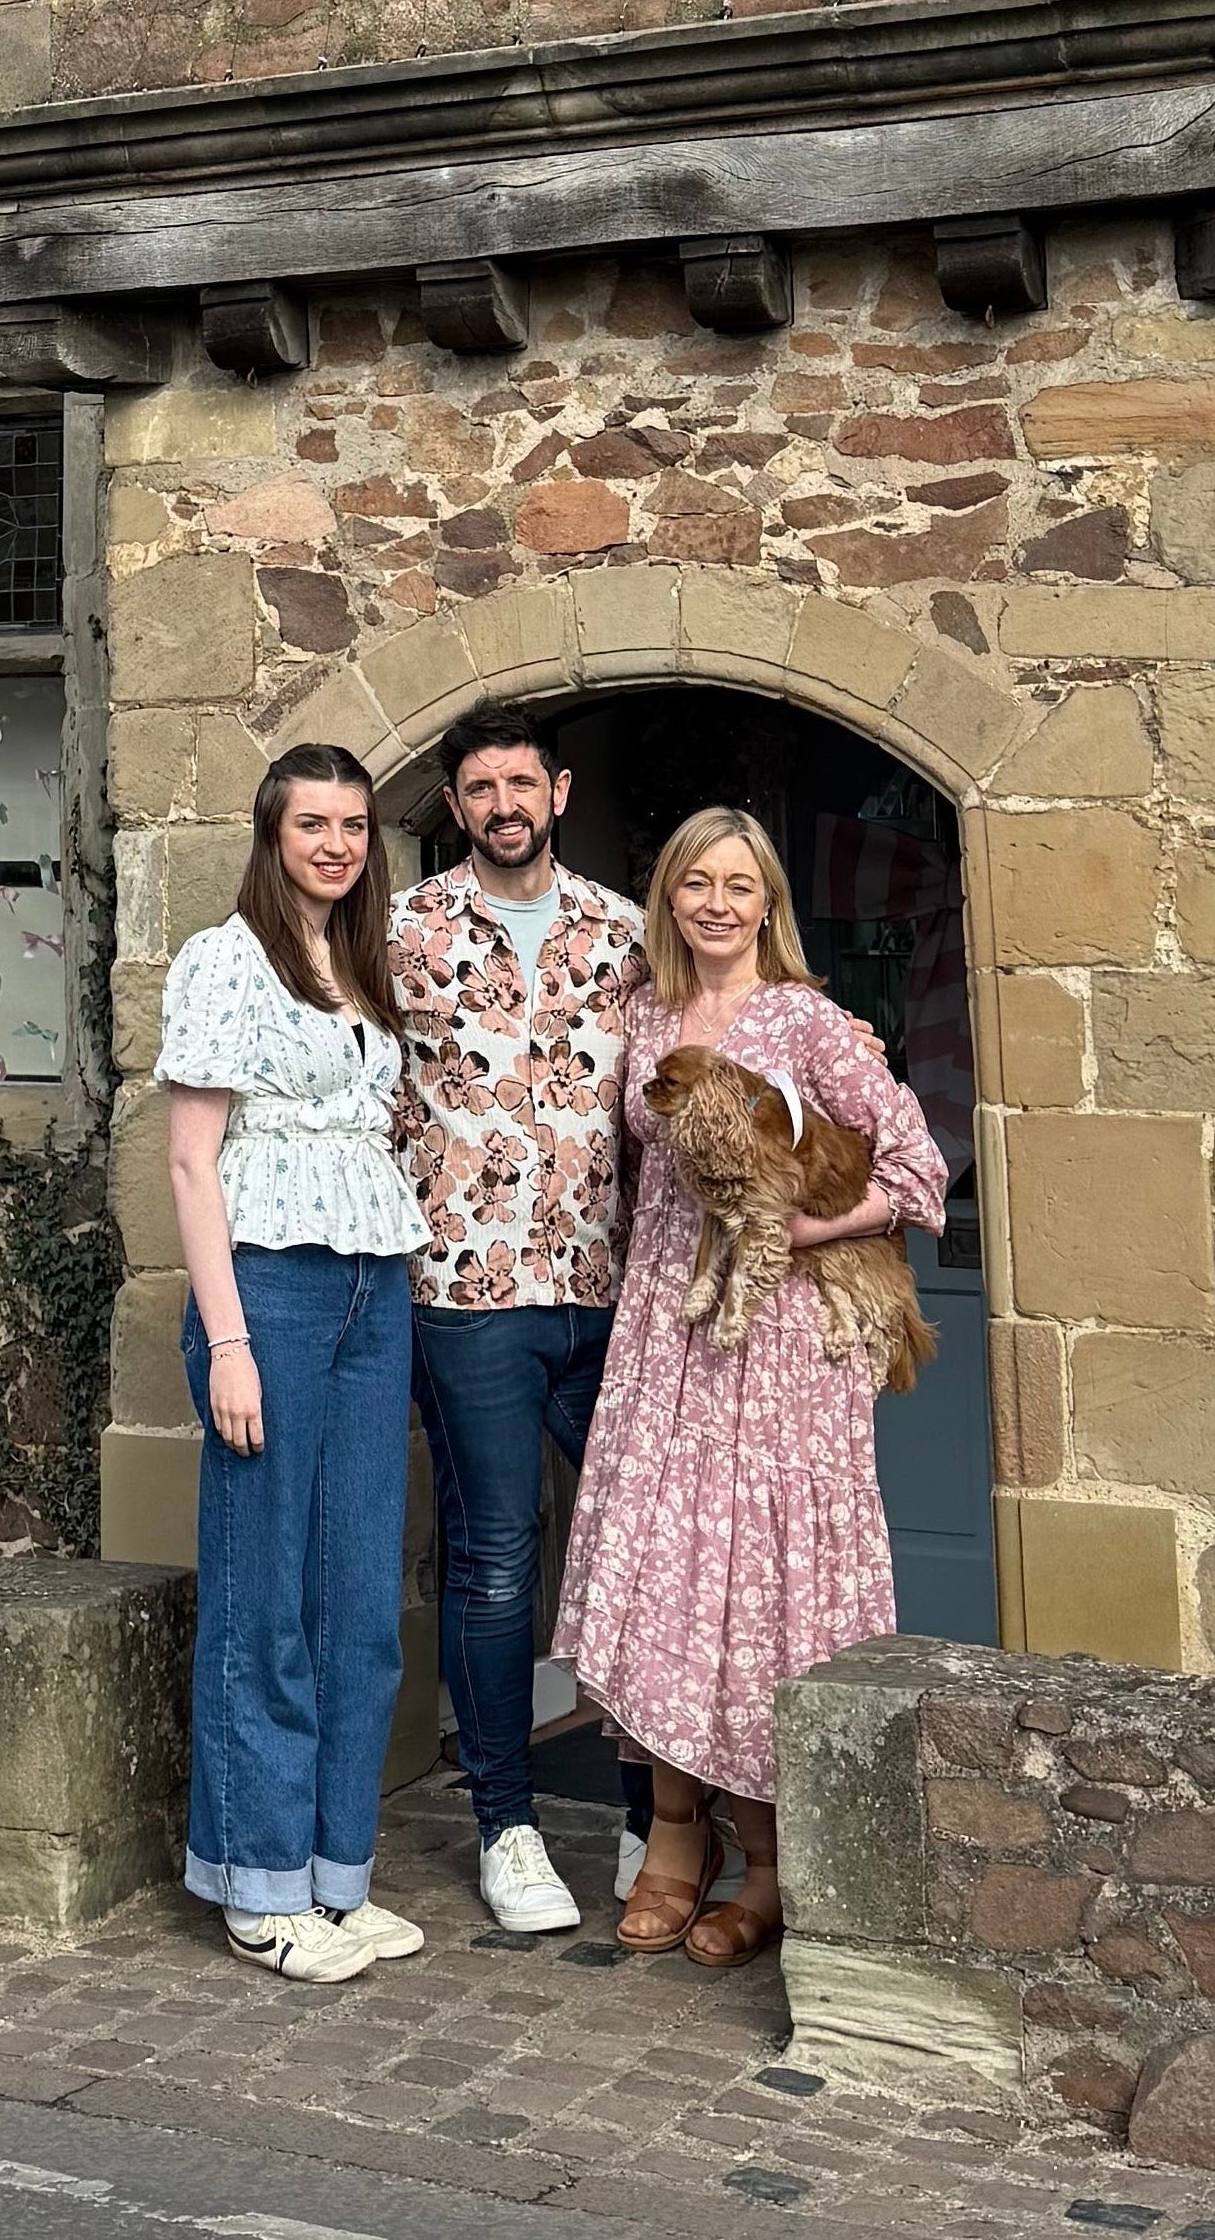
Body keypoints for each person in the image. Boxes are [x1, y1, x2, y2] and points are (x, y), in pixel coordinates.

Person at [390, 707, 881, 1933]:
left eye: (521, 782)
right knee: (505, 1562)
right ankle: (510, 1823)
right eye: (479, 788)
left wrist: (829, 1102)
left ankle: (655, 1820)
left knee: (667, 1565)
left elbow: (812, 1096)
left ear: (557, 792)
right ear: (457, 805)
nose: (504, 803)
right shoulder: (404, 931)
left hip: (616, 1294)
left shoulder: (624, 939)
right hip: (472, 1291)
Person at [552, 805, 948, 1969]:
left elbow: (920, 1168)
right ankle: (678, 1833)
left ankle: (774, 1863)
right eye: (695, 884)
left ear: (768, 901)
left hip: (781, 1345)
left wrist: (811, 1220)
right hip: (668, 1327)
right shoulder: (644, 1015)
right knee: (671, 1575)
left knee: (768, 1592)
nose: (717, 903)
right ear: (667, 899)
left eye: (740, 885)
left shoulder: (810, 1021)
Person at [158, 743, 431, 1985]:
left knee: (362, 1599)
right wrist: (228, 1342)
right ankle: (256, 1881)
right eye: (311, 823)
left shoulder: (360, 961)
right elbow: (189, 1165)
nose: (335, 843)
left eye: (354, 825)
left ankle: (335, 1875)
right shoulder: (228, 960)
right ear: (272, 835)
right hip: (267, 1286)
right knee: (266, 1598)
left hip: (376, 1281)